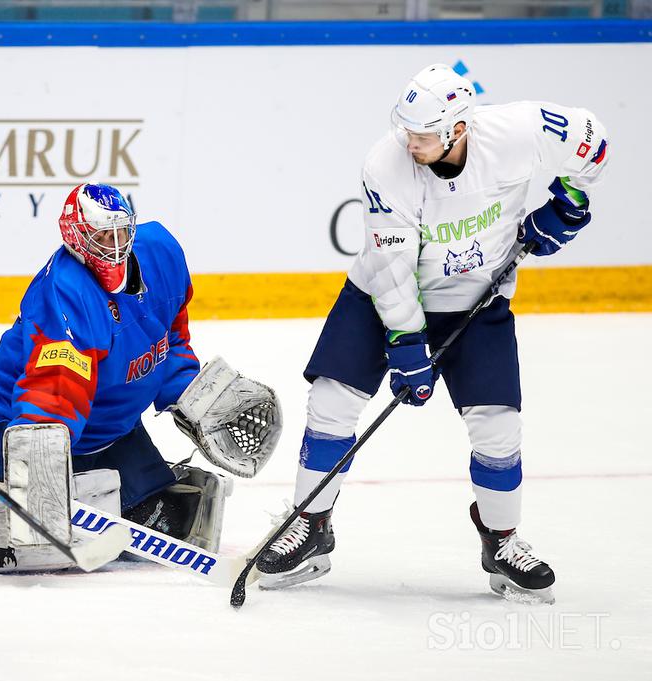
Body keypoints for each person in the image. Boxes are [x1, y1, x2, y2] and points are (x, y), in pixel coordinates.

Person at [256, 64, 608, 603]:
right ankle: (311, 522)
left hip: (479, 300)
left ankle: (502, 540)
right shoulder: (386, 163)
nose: (411, 142)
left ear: (459, 128)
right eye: (408, 131)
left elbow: (593, 140)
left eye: (424, 135)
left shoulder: (518, 132)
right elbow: (392, 266)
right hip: (381, 298)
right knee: (331, 400)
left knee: (498, 430)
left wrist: (570, 200)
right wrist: (406, 344)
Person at [0, 183, 280, 553]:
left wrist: (191, 392)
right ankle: (20, 481)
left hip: (111, 429)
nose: (115, 246)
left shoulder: (160, 254)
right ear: (75, 237)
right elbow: (55, 389)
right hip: (23, 427)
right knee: (34, 539)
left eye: (121, 232)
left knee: (171, 521)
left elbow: (170, 337)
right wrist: (39, 463)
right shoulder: (66, 291)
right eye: (102, 237)